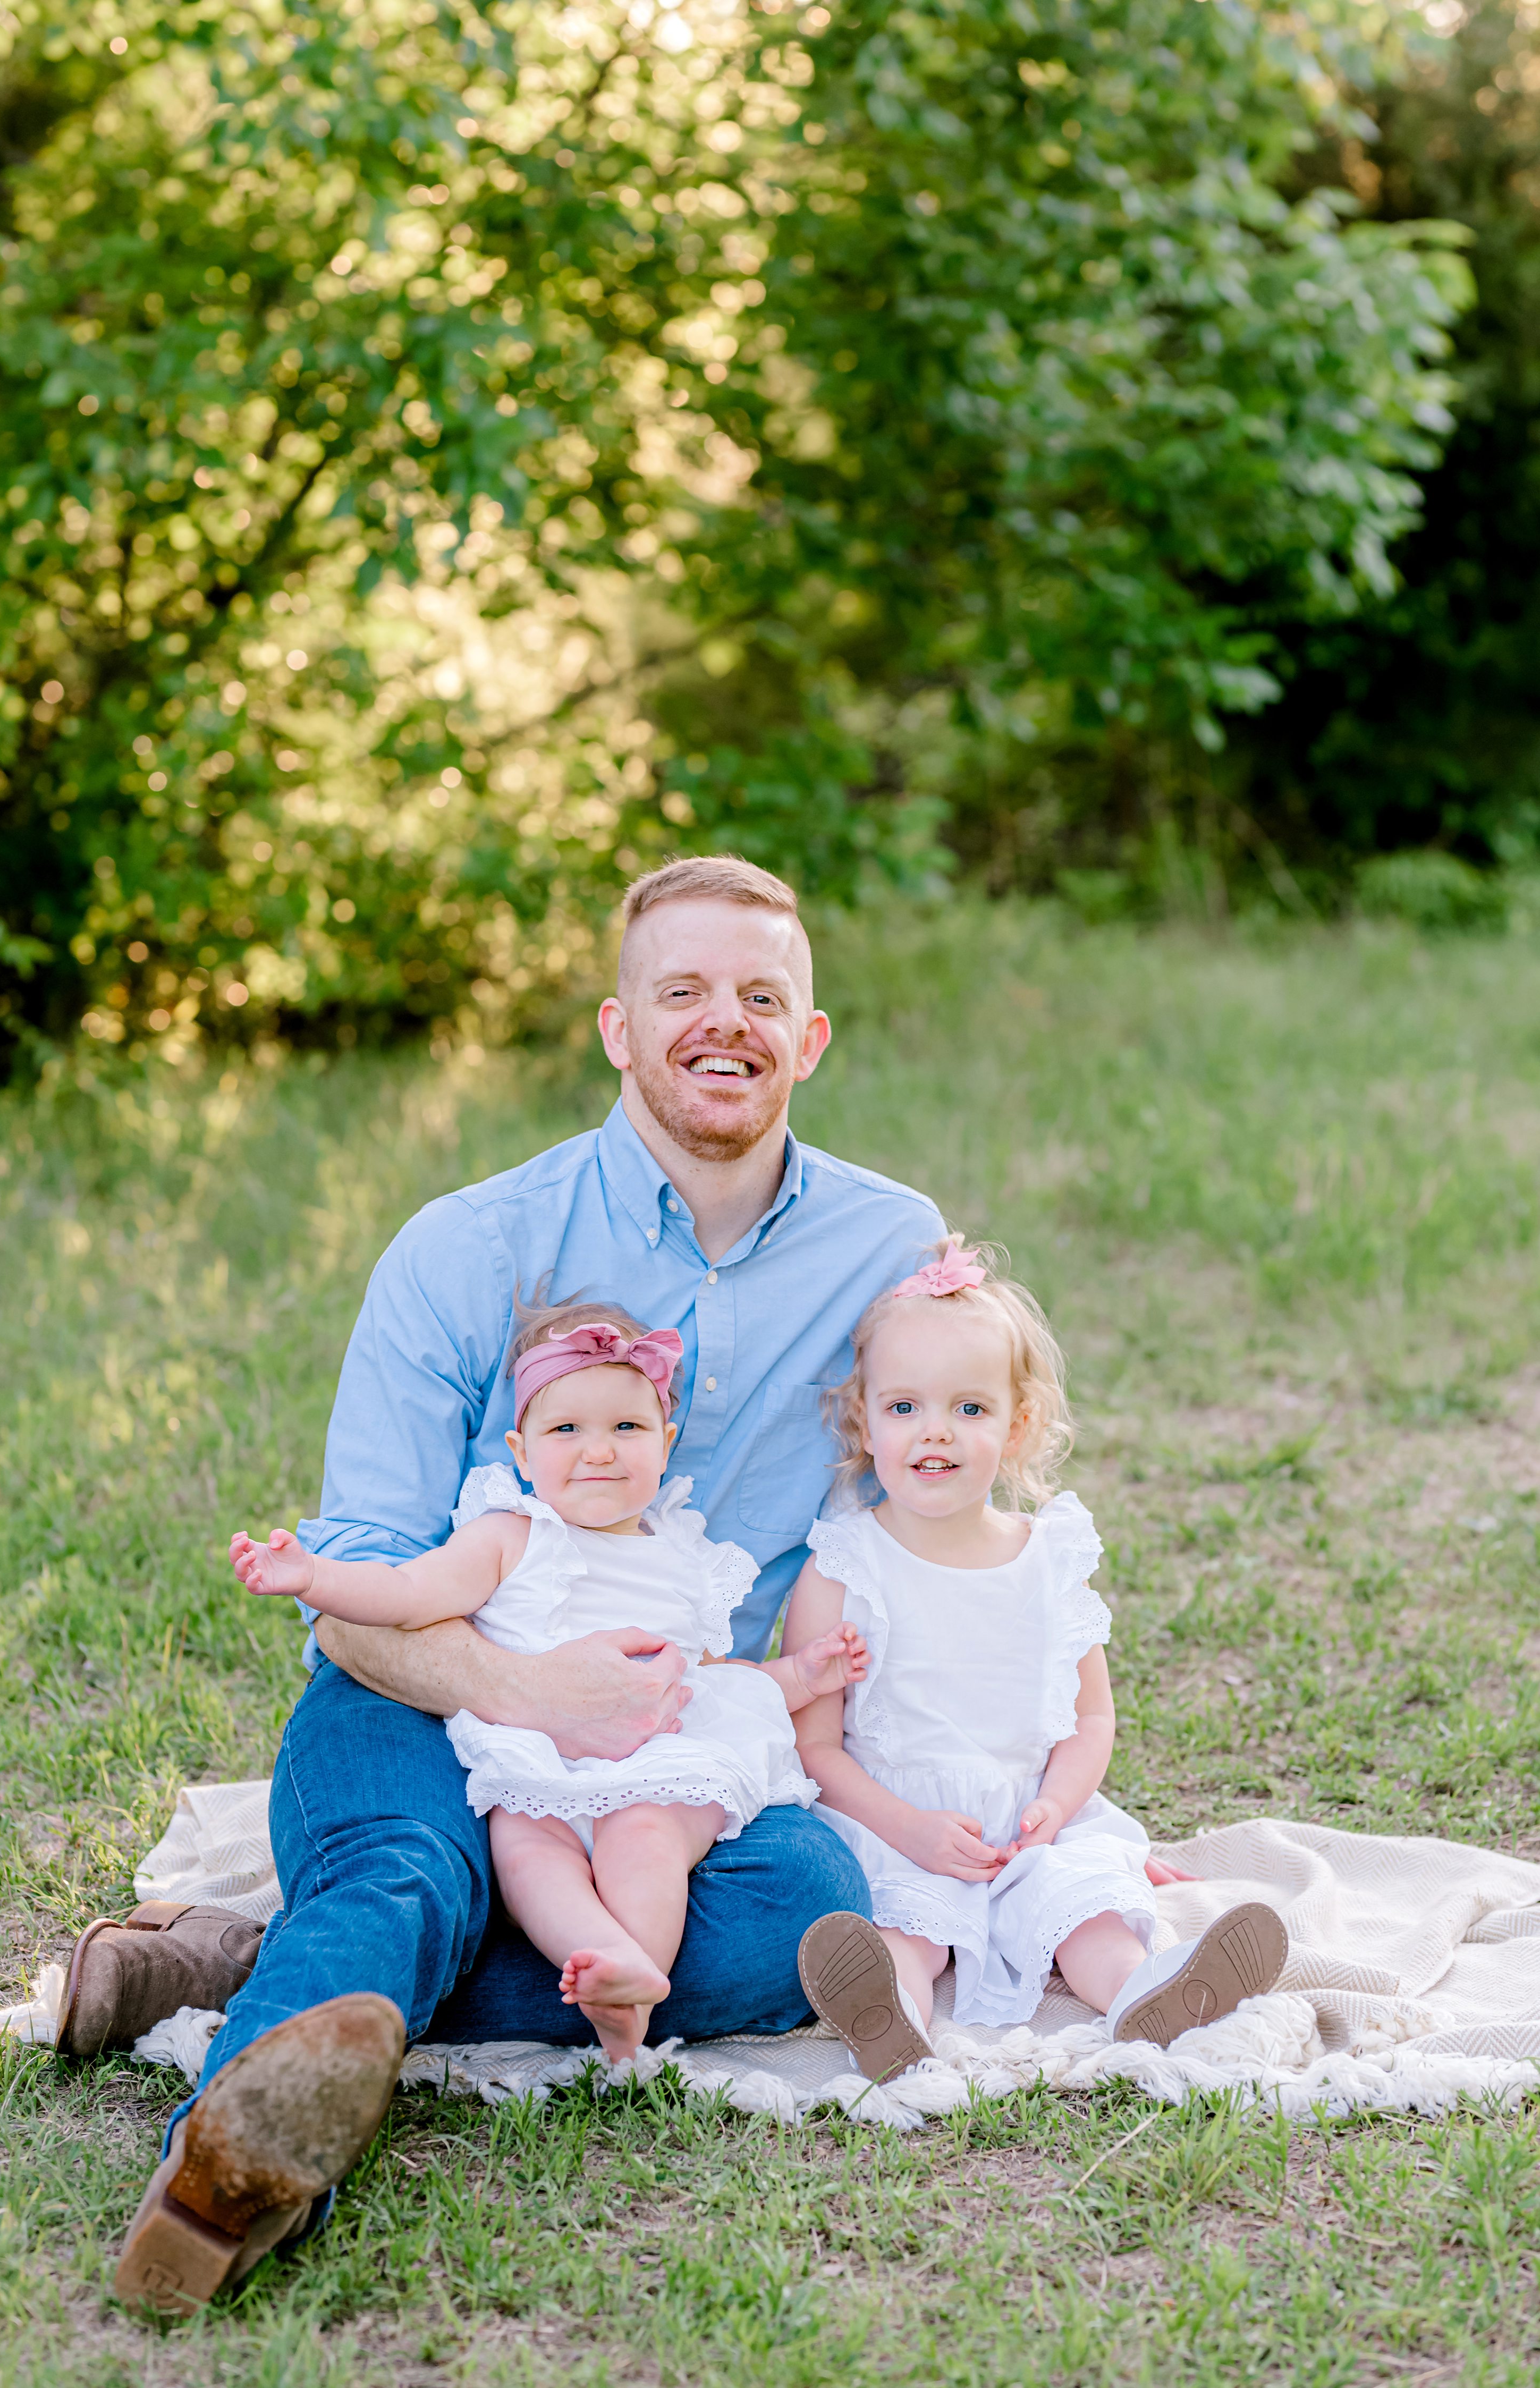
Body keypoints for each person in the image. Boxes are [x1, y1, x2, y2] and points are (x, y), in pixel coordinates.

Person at [97, 853, 945, 2314]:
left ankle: (238, 1959)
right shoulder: (470, 1244)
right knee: (412, 1865)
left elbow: (943, 1480)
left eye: (760, 996)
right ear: (618, 1027)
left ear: (808, 1038)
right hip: (426, 1693)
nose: (719, 1022)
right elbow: (354, 1587)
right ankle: (222, 2178)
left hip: (680, 1751)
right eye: (679, 990)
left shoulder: (889, 1248)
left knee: (807, 1909)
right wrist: (523, 1684)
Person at [231, 1299, 868, 2060]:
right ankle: (598, 1955)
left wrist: (800, 1673)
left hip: (654, 1765)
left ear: (666, 1444)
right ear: (522, 1450)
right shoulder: (510, 1535)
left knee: (647, 1838)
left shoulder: (684, 1554)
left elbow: (710, 1676)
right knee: (527, 1852)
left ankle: (631, 1975)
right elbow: (404, 1594)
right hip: (536, 1756)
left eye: (626, 1428)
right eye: (567, 1429)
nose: (598, 1450)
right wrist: (314, 1574)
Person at [789, 1237, 1288, 2085]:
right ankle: (891, 2019)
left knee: (1086, 1912)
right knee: (903, 1930)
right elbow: (816, 1748)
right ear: (863, 1420)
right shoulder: (844, 1568)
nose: (935, 1431)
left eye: (969, 1410)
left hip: (1029, 1819)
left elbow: (1091, 1716)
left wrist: (1057, 1807)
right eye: (905, 1407)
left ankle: (1148, 1996)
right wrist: (908, 1827)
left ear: (1018, 1424)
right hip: (897, 1823)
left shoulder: (1049, 1558)